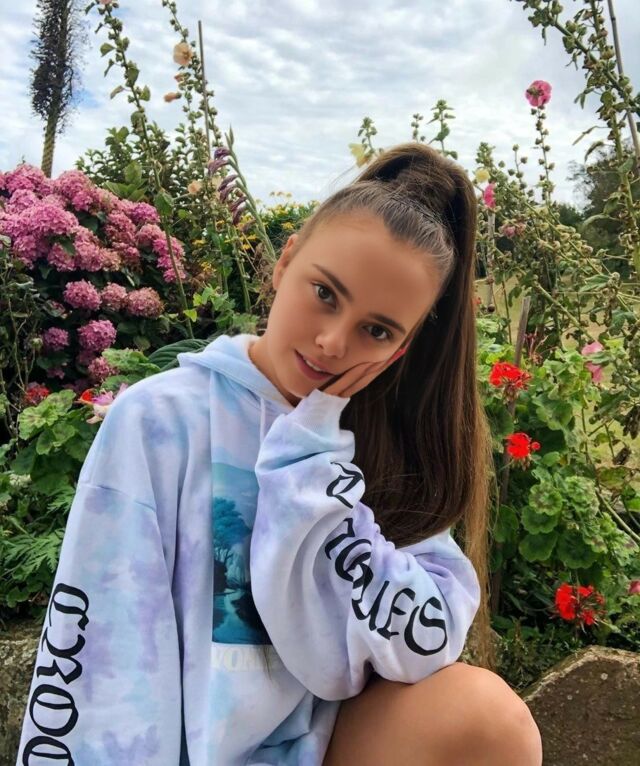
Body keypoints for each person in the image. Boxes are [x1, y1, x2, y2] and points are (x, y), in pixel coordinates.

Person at [15, 142, 543, 765]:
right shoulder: (161, 420)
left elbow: (420, 643)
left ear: (399, 349)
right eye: (325, 293)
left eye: (376, 330)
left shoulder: (381, 442)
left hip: (321, 747)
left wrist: (312, 464)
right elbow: (102, 642)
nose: (332, 342)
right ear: (286, 260)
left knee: (492, 721)